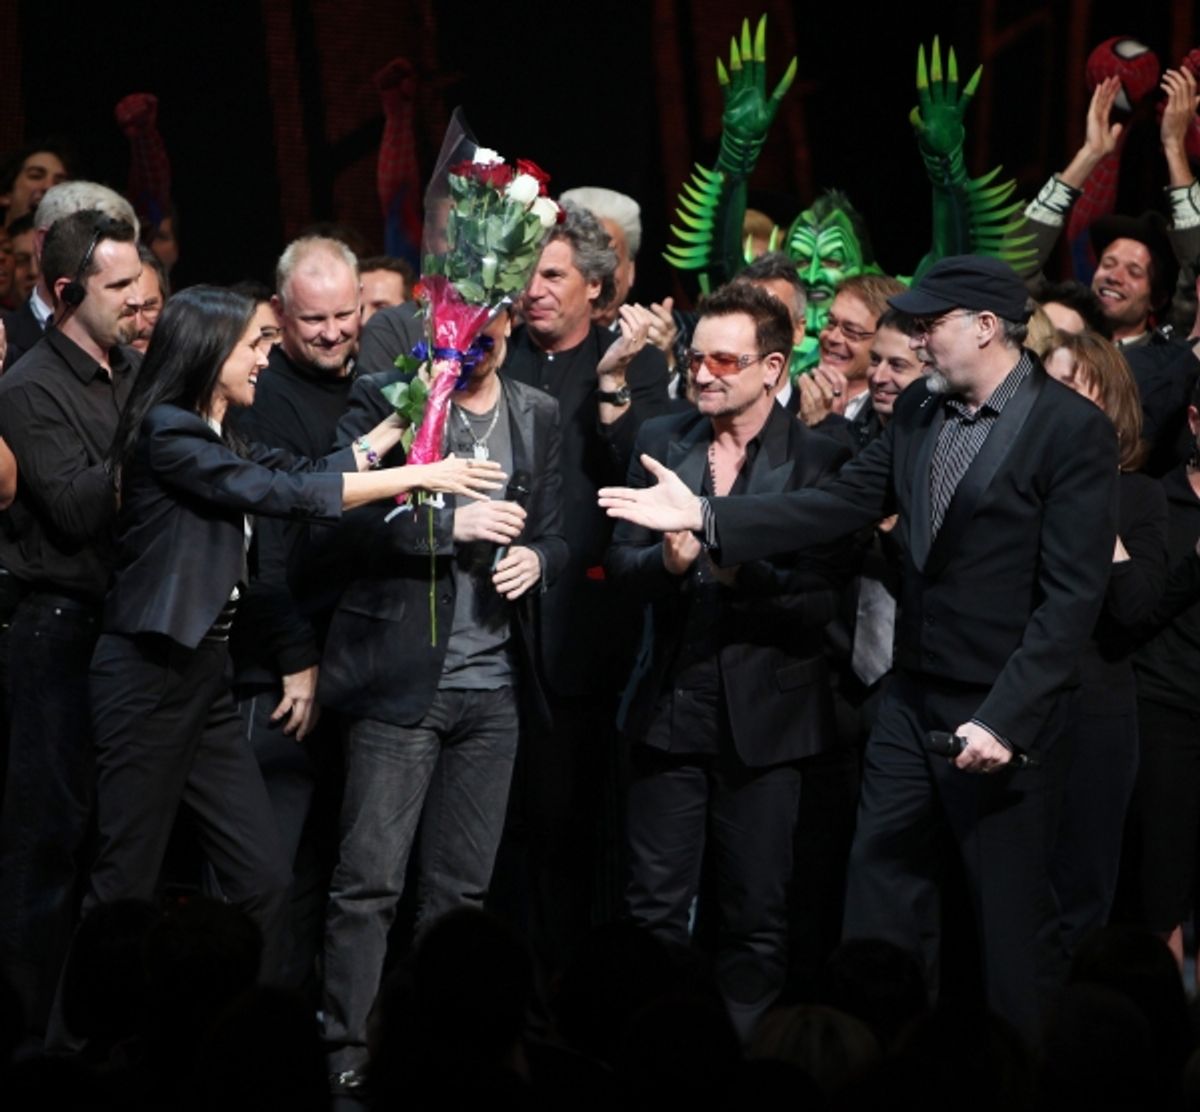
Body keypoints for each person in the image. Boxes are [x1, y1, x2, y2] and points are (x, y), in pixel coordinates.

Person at [599, 255, 1119, 1043]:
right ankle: (875, 1068)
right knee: (875, 901)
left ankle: (1025, 1081)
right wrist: (709, 517)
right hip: (913, 702)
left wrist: (1007, 719)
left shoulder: (1069, 429)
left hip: (1004, 713)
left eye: (927, 326)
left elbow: (1072, 599)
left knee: (1010, 926)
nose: (911, 338)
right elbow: (834, 504)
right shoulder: (916, 413)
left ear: (985, 328)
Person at [78, 286, 502, 989]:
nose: (266, 360)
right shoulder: (169, 432)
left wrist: (404, 420)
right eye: (255, 345)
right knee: (123, 884)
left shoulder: (222, 437)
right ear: (210, 352)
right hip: (146, 676)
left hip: (202, 680)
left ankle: (229, 1033)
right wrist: (421, 473)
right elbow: (281, 498)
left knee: (264, 876)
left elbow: (303, 475)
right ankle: (77, 1052)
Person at [318, 306, 567, 1090]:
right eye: (466, 331)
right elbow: (341, 519)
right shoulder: (397, 401)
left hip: (493, 691)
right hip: (403, 685)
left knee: (461, 894)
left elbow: (558, 532)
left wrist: (537, 558)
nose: (480, 346)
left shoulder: (537, 412)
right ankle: (347, 1055)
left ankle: (447, 1057)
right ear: (442, 327)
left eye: (496, 331)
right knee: (369, 885)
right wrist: (449, 527)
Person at [607, 283, 849, 1040]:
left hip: (767, 720)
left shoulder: (820, 458)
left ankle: (742, 1058)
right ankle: (652, 1055)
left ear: (772, 367)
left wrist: (733, 561)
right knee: (651, 906)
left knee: (753, 909)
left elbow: (820, 602)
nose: (702, 374)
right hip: (671, 704)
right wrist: (672, 566)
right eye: (693, 356)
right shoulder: (663, 436)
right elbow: (620, 564)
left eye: (722, 359)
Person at [0, 210, 143, 1039]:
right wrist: (160, 434)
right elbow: (79, 505)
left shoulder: (130, 369)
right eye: (118, 287)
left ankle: (103, 1030)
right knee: (48, 844)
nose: (136, 300)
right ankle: (29, 1038)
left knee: (110, 840)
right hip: (56, 632)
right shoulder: (26, 389)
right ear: (64, 294)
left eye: (137, 281)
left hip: (123, 628)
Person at [1042, 332, 1168, 959]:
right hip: (1021, 709)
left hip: (1097, 714)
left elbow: (1135, 607)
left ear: (1108, 402)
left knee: (1083, 889)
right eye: (1048, 383)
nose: (1053, 399)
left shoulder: (1140, 497)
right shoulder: (1019, 488)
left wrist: (1094, 504)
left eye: (1072, 386)